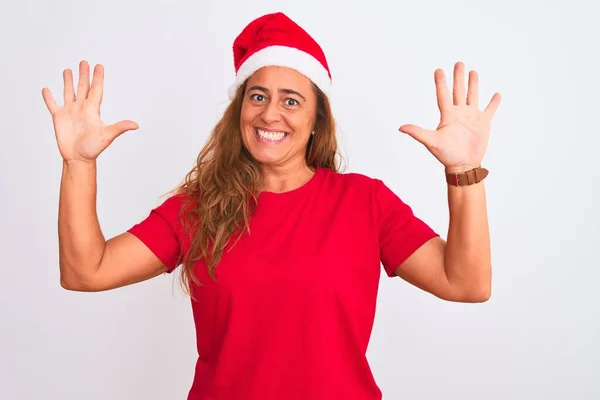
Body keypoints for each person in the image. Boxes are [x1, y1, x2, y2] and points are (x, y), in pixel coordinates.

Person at [41, 11, 501, 400]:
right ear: (239, 109)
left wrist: (463, 173)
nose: (269, 113)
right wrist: (79, 163)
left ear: (317, 120)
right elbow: (87, 271)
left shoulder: (365, 202)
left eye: (291, 100)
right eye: (257, 96)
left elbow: (465, 283)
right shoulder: (198, 208)